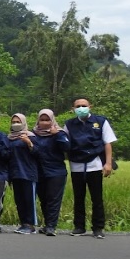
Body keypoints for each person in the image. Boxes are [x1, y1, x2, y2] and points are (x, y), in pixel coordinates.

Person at [64, 97, 117, 239]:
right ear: (73, 109)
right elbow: (64, 143)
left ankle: (98, 228)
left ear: (90, 106)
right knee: (79, 197)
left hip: (95, 164)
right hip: (77, 165)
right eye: (78, 106)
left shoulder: (100, 121)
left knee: (97, 198)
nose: (81, 108)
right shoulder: (69, 124)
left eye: (84, 105)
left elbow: (107, 143)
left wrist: (108, 164)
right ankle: (79, 227)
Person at [33, 109, 69, 236]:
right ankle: (47, 224)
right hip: (39, 171)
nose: (44, 123)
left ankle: (51, 226)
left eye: (47, 120)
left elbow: (67, 147)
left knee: (54, 199)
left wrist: (56, 135)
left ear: (52, 120)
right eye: (42, 120)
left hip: (56, 172)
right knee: (43, 199)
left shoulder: (60, 133)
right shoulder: (34, 134)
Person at [8, 113, 38, 234]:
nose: (16, 124)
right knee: (19, 200)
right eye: (14, 122)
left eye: (18, 122)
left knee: (28, 200)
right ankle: (23, 223)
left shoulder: (31, 136)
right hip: (15, 173)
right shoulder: (9, 138)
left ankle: (30, 225)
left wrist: (28, 143)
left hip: (28, 173)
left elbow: (38, 153)